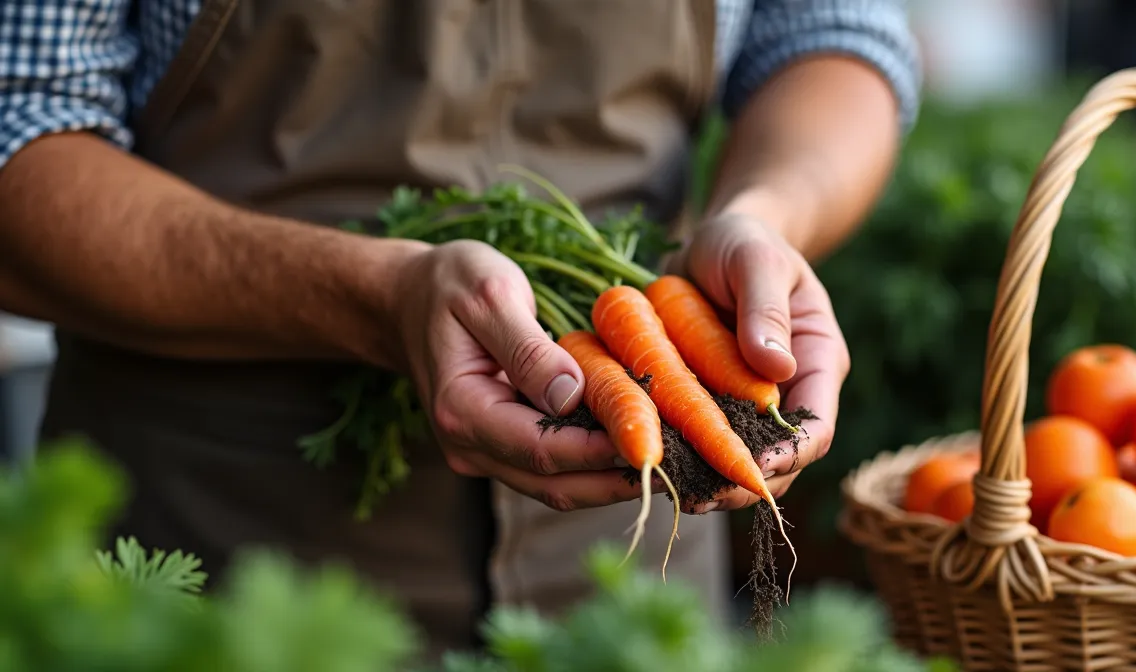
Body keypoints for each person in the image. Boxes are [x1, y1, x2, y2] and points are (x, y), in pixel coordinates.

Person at [0, 0, 920, 659]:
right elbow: (22, 127)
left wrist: (766, 214)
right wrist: (374, 296)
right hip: (234, 556)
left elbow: (833, 34)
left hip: (632, 566)